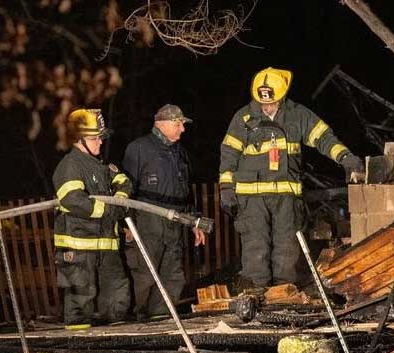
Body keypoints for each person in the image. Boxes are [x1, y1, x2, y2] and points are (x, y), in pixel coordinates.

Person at [219, 67, 364, 288]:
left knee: (287, 248)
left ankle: (282, 294)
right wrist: (226, 188)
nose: (266, 107)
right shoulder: (243, 118)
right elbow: (229, 153)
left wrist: (346, 158)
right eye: (262, 102)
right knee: (255, 247)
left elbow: (324, 138)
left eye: (272, 102)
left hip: (286, 198)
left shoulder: (298, 115)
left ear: (282, 96)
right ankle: (255, 296)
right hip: (252, 198)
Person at [122, 104, 205, 321]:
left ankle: (161, 318)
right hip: (147, 221)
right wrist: (124, 223)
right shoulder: (138, 149)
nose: (182, 130)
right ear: (162, 124)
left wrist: (195, 221)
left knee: (173, 275)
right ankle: (139, 319)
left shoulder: (180, 153)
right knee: (145, 275)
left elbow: (186, 191)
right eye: (178, 124)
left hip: (175, 222)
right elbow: (124, 189)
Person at [52, 108, 132, 329]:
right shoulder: (70, 166)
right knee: (80, 301)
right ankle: (79, 345)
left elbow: (124, 183)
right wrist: (109, 210)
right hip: (78, 249)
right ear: (78, 140)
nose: (100, 143)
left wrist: (119, 199)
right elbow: (73, 200)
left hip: (106, 245)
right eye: (94, 138)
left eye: (100, 137)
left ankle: (119, 340)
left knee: (118, 296)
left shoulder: (101, 165)